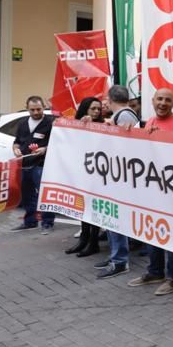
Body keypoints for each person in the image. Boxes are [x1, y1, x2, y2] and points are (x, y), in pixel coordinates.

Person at [126, 88, 173, 297]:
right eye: (159, 99)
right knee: (153, 231)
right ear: (152, 101)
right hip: (153, 187)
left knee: (172, 234)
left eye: (167, 100)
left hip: (172, 189)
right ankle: (155, 272)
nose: (163, 103)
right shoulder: (149, 122)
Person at [94, 85, 140, 279]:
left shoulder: (125, 117)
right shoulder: (120, 117)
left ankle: (120, 260)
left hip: (121, 177)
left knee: (117, 219)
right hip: (115, 175)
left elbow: (125, 148)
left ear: (110, 99)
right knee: (111, 218)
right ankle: (115, 255)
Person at [11, 96, 56, 232]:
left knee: (45, 194)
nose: (36, 112)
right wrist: (15, 149)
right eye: (32, 110)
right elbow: (16, 142)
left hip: (42, 165)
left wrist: (45, 149)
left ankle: (47, 223)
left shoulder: (51, 123)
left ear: (44, 107)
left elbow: (59, 143)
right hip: (24, 164)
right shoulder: (23, 123)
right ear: (27, 108)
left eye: (39, 109)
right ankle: (30, 221)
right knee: (27, 195)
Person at [66, 97, 104, 257]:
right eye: (93, 109)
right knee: (83, 207)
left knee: (94, 209)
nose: (96, 112)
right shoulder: (77, 124)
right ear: (85, 110)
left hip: (98, 175)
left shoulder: (104, 126)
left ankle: (93, 242)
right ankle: (84, 239)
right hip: (82, 173)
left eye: (98, 109)